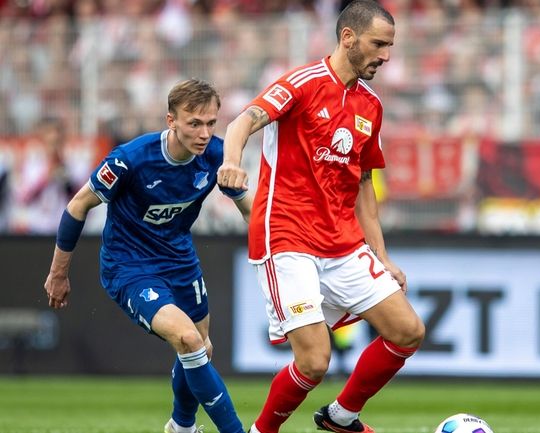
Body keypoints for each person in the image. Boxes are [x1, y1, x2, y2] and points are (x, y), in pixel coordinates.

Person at [217, 2, 425, 432]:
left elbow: (364, 185)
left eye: (390, 46)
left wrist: (381, 256)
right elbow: (243, 121)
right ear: (347, 37)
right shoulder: (302, 83)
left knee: (408, 331)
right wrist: (232, 162)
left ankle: (342, 416)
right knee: (313, 361)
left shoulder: (371, 106)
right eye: (378, 44)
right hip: (287, 235)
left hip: (343, 241)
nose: (386, 55)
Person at [43, 78, 251, 433]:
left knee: (201, 348)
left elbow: (252, 212)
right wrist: (58, 273)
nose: (204, 133)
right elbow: (78, 205)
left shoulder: (216, 155)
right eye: (194, 123)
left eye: (211, 123)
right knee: (188, 338)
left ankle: (181, 426)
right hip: (130, 265)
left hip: (180, 259)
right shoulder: (131, 160)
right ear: (171, 121)